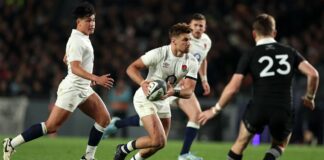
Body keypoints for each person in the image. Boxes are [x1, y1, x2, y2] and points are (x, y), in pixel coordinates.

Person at [198, 13, 319, 160]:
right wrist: (310, 97)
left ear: (254, 33)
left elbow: (233, 87)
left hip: (258, 107)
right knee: (279, 145)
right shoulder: (289, 52)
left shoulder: (250, 54)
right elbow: (313, 74)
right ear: (274, 33)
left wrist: (215, 109)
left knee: (240, 144)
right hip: (283, 108)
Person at [2, 2, 114, 160]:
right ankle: (11, 143)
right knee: (51, 126)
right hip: (73, 89)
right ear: (78, 22)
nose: (92, 24)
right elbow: (74, 67)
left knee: (104, 119)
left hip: (83, 88)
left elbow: (66, 59)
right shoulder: (77, 40)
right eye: (88, 20)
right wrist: (95, 77)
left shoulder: (81, 37)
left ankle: (88, 157)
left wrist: (87, 77)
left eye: (94, 20)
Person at [104, 13, 211, 160]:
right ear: (173, 41)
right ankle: (124, 148)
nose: (189, 43)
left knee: (160, 144)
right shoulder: (159, 53)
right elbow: (131, 68)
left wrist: (175, 91)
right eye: (185, 40)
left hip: (164, 99)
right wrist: (142, 82)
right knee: (157, 139)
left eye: (190, 40)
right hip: (146, 97)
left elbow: (189, 90)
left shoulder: (191, 61)